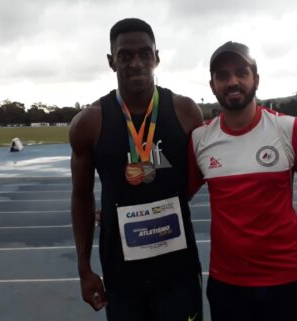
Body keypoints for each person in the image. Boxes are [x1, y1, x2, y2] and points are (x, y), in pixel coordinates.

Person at [188, 41, 297, 321]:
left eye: (241, 72)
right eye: (222, 75)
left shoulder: (289, 129)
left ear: (255, 80)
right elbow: (176, 197)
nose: (232, 81)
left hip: (286, 280)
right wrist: (124, 211)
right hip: (227, 285)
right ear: (212, 85)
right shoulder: (200, 139)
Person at [69, 18, 203, 321]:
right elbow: (81, 197)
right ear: (111, 62)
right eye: (125, 55)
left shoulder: (185, 111)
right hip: (122, 272)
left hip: (178, 269)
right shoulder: (89, 123)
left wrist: (171, 202)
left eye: (145, 53)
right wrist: (84, 267)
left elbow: (202, 175)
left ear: (157, 57)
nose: (136, 63)